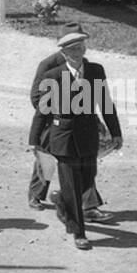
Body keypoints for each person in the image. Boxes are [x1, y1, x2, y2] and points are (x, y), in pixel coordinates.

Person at [28, 26, 122, 250]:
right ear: (65, 53)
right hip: (64, 138)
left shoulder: (96, 71)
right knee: (71, 184)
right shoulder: (53, 76)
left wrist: (116, 132)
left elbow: (106, 105)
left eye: (81, 47)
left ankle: (62, 200)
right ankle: (79, 232)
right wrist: (34, 141)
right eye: (74, 49)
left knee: (88, 179)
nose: (79, 52)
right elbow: (42, 110)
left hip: (89, 136)